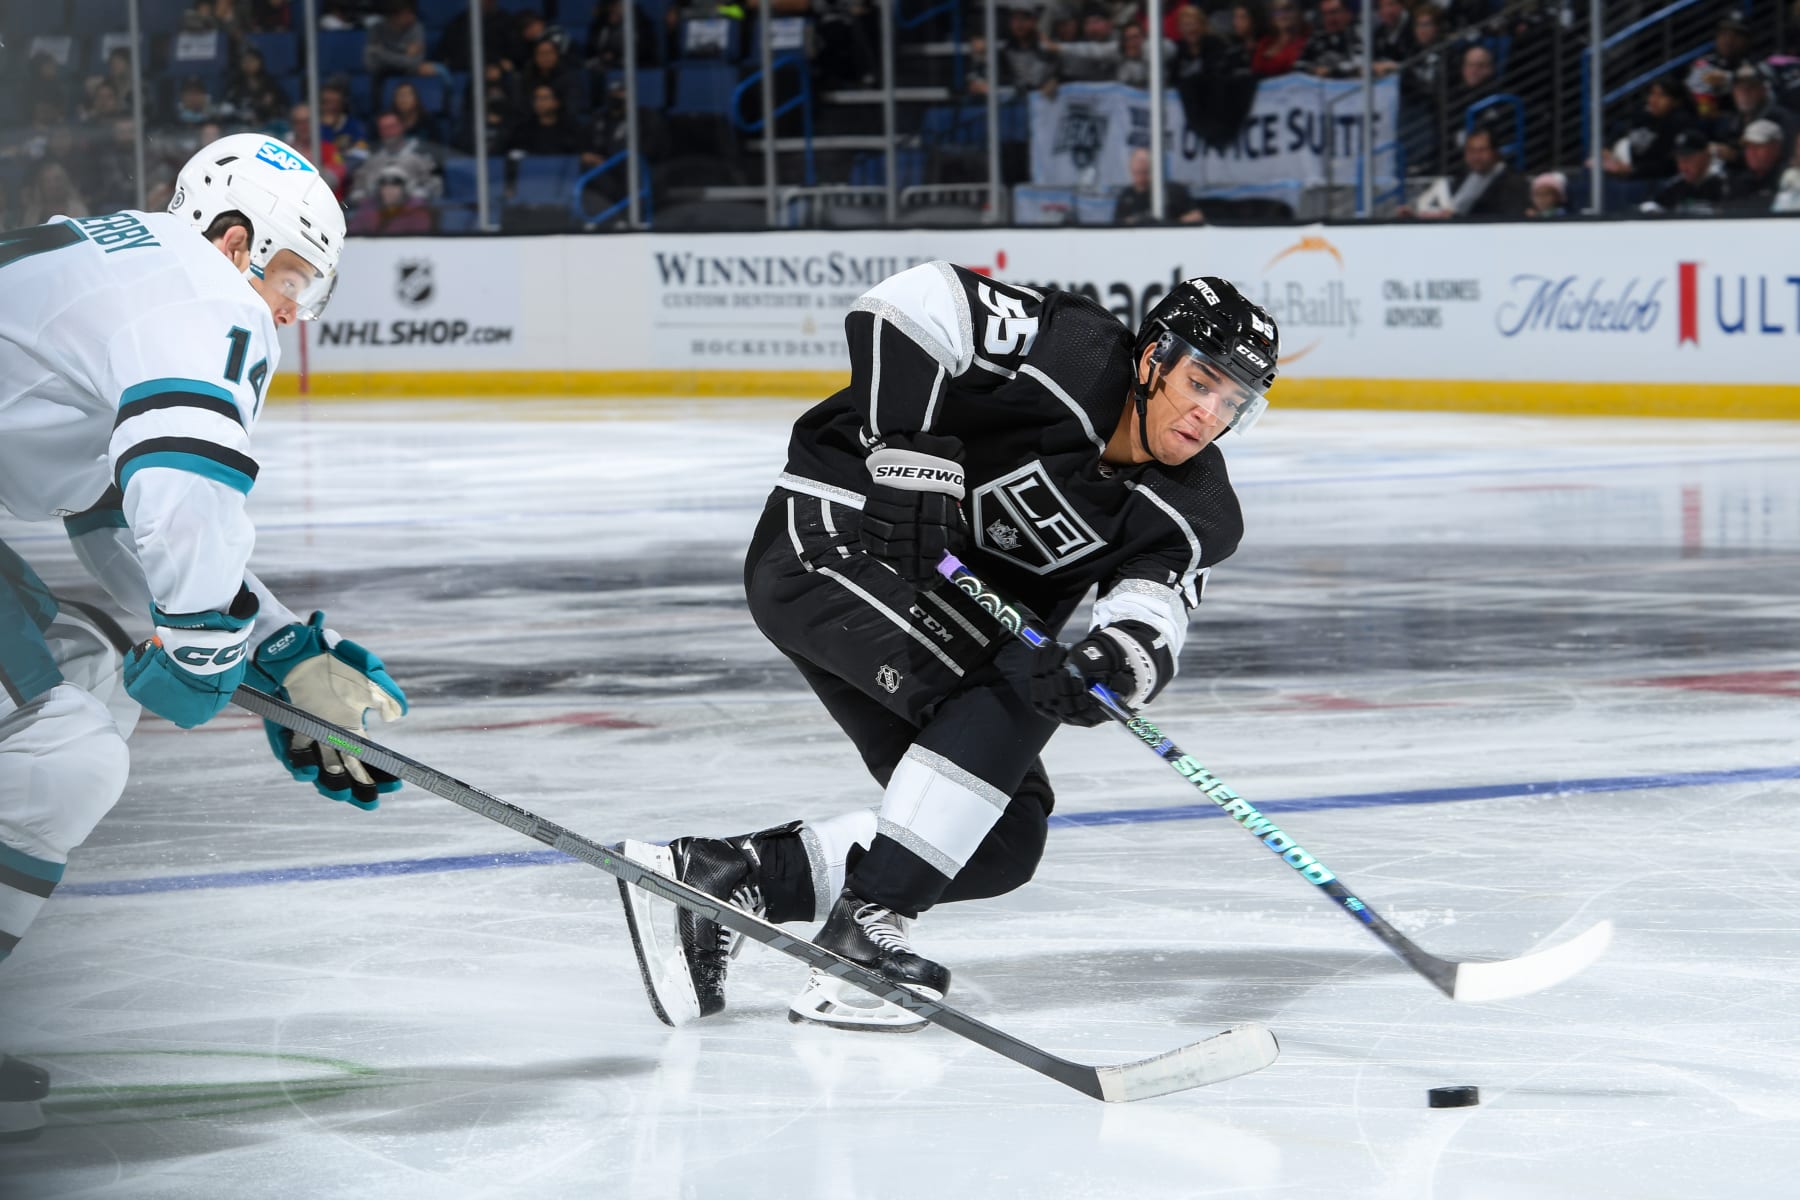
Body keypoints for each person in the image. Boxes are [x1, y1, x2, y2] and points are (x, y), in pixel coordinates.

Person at [616, 266, 1279, 1031]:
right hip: (834, 538)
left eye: (1233, 401)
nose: (1208, 413)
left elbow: (1151, 613)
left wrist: (1112, 663)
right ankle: (862, 937)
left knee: (1001, 837)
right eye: (1201, 381)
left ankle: (721, 880)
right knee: (1006, 689)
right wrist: (907, 452)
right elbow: (907, 303)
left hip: (946, 613)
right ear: (1152, 357)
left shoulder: (1197, 511)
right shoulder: (1076, 348)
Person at [0, 133, 408, 1138]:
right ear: (232, 238)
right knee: (65, 750)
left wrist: (276, 649)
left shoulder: (115, 262)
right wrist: (201, 646)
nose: (287, 311)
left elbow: (110, 513)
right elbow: (180, 485)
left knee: (85, 683)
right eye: (290, 277)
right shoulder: (206, 292)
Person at [1643, 127, 1727, 213]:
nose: (1682, 167)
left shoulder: (1724, 185)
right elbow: (1652, 208)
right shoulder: (1675, 187)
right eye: (1679, 160)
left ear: (1705, 156)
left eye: (1688, 159)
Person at [1114, 145, 1205, 223]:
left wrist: (1170, 225)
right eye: (1137, 172)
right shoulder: (1126, 196)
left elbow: (1196, 216)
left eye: (1145, 172)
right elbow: (1118, 226)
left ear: (1154, 168)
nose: (1140, 177)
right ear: (1130, 169)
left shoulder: (1174, 191)